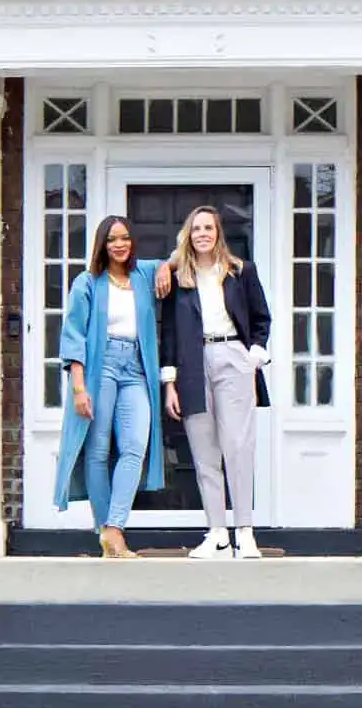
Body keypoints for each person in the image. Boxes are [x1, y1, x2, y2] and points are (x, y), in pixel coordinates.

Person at [53, 216, 173, 558]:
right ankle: (108, 531)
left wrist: (165, 266)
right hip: (100, 366)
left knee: (135, 445)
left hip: (136, 368)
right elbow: (73, 334)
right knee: (99, 450)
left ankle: (114, 527)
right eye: (112, 239)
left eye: (125, 238)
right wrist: (78, 387)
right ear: (102, 244)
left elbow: (179, 255)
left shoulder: (143, 274)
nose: (119, 245)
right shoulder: (88, 282)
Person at [161, 205, 272, 559]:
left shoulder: (241, 271)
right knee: (204, 453)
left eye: (209, 228)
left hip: (232, 358)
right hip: (193, 363)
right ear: (188, 235)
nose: (203, 234)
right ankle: (217, 533)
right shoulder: (180, 278)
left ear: (218, 233)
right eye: (196, 229)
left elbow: (261, 318)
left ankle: (245, 531)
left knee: (238, 447)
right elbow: (169, 332)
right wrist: (170, 382)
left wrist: (253, 355)